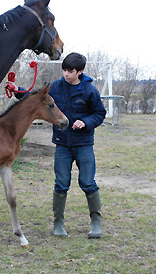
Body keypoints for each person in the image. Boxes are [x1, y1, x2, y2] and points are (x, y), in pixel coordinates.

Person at [49, 52, 106, 239]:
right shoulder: (55, 87)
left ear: (79, 71)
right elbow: (36, 97)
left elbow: (99, 113)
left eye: (70, 71)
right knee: (61, 184)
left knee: (88, 182)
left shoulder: (90, 91)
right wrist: (18, 90)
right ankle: (58, 223)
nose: (66, 74)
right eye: (64, 70)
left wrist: (86, 122)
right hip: (62, 144)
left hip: (83, 144)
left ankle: (96, 222)